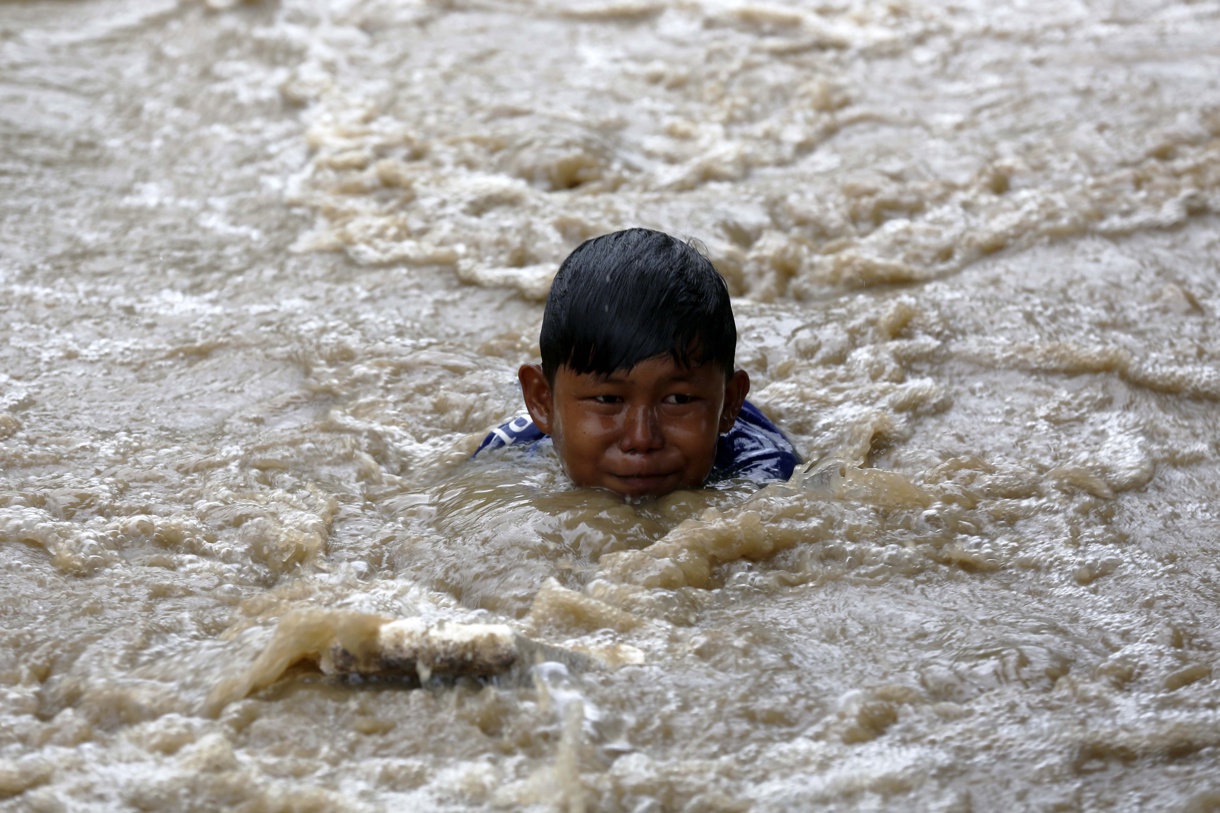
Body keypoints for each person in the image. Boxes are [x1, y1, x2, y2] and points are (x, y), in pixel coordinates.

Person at [475, 228, 800, 499]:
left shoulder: (766, 479)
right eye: (608, 400)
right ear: (542, 402)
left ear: (729, 404)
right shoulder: (507, 455)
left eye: (678, 400)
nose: (642, 439)